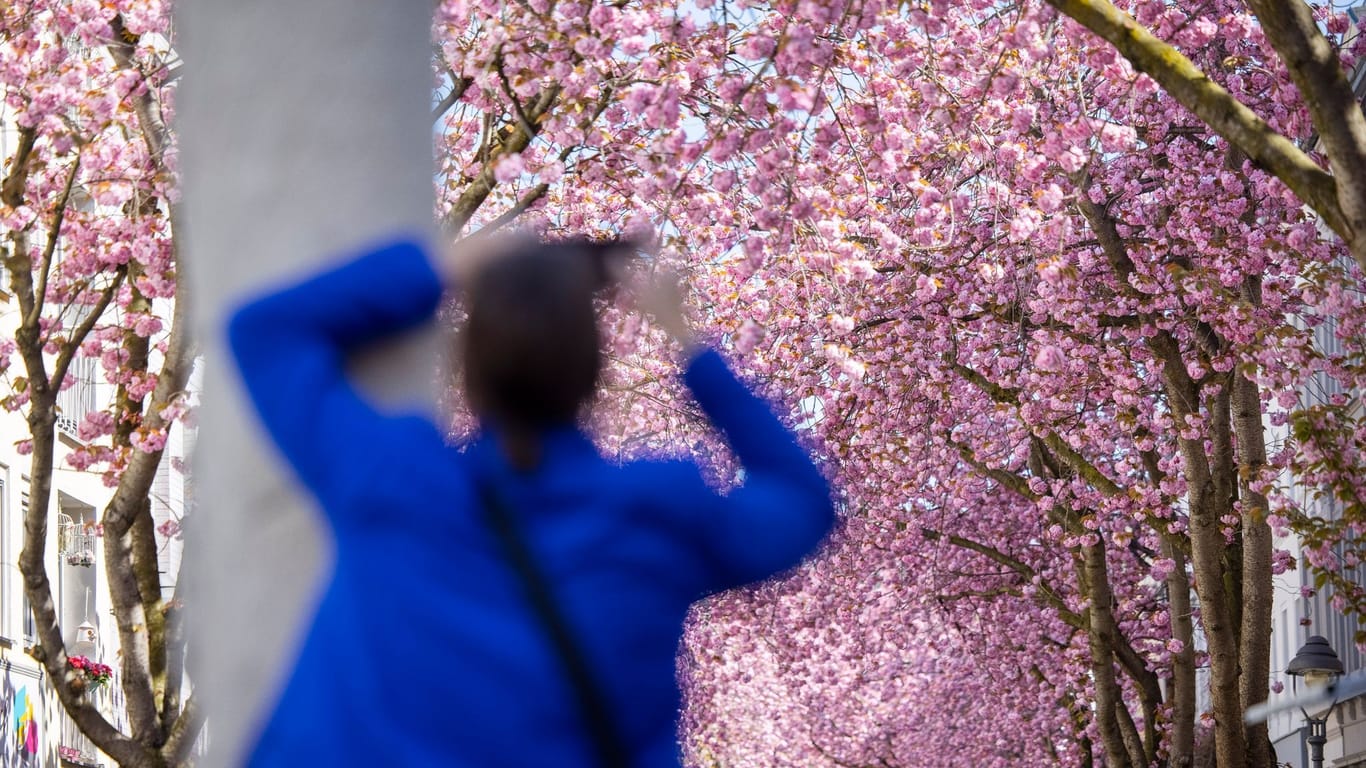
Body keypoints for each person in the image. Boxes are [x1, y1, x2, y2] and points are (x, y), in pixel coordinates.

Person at [227, 234, 835, 766]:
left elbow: (266, 331)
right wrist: (691, 349)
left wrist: (452, 268)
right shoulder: (660, 517)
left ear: (467, 367)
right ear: (594, 374)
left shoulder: (393, 481)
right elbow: (802, 501)